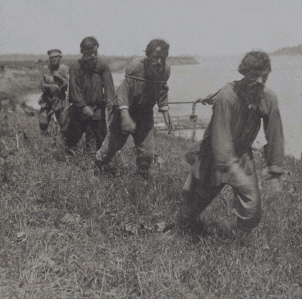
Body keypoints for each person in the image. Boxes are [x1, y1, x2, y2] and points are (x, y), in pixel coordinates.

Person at [175, 51, 284, 234]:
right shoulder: (226, 96)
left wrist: (275, 172)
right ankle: (179, 228)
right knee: (196, 203)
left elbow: (275, 134)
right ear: (243, 72)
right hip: (213, 156)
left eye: (263, 76)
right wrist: (232, 169)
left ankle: (235, 242)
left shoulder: (268, 98)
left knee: (252, 212)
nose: (259, 81)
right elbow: (221, 135)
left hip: (242, 156)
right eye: (253, 75)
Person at [95, 39, 174, 179]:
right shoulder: (136, 67)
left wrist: (166, 114)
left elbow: (162, 90)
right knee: (110, 148)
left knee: (147, 154)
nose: (159, 62)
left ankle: (141, 180)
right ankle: (97, 169)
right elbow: (122, 93)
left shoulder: (164, 70)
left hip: (144, 114)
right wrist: (125, 117)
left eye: (163, 58)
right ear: (147, 56)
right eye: (155, 57)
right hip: (123, 112)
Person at [65, 36, 115, 152]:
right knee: (72, 139)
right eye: (89, 53)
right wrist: (83, 106)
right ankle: (69, 162)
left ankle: (95, 163)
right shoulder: (75, 68)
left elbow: (108, 85)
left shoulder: (102, 65)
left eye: (95, 52)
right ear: (82, 52)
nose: (93, 56)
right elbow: (74, 89)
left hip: (97, 109)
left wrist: (110, 102)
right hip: (79, 109)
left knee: (99, 139)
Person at [38, 49, 69, 136]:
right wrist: (50, 86)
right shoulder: (45, 69)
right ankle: (45, 140)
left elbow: (67, 85)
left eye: (56, 57)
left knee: (63, 123)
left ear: (60, 58)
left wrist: (60, 77)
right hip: (47, 98)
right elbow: (42, 84)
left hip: (60, 98)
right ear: (49, 59)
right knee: (43, 122)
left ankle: (63, 142)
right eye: (52, 58)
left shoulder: (64, 68)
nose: (54, 59)